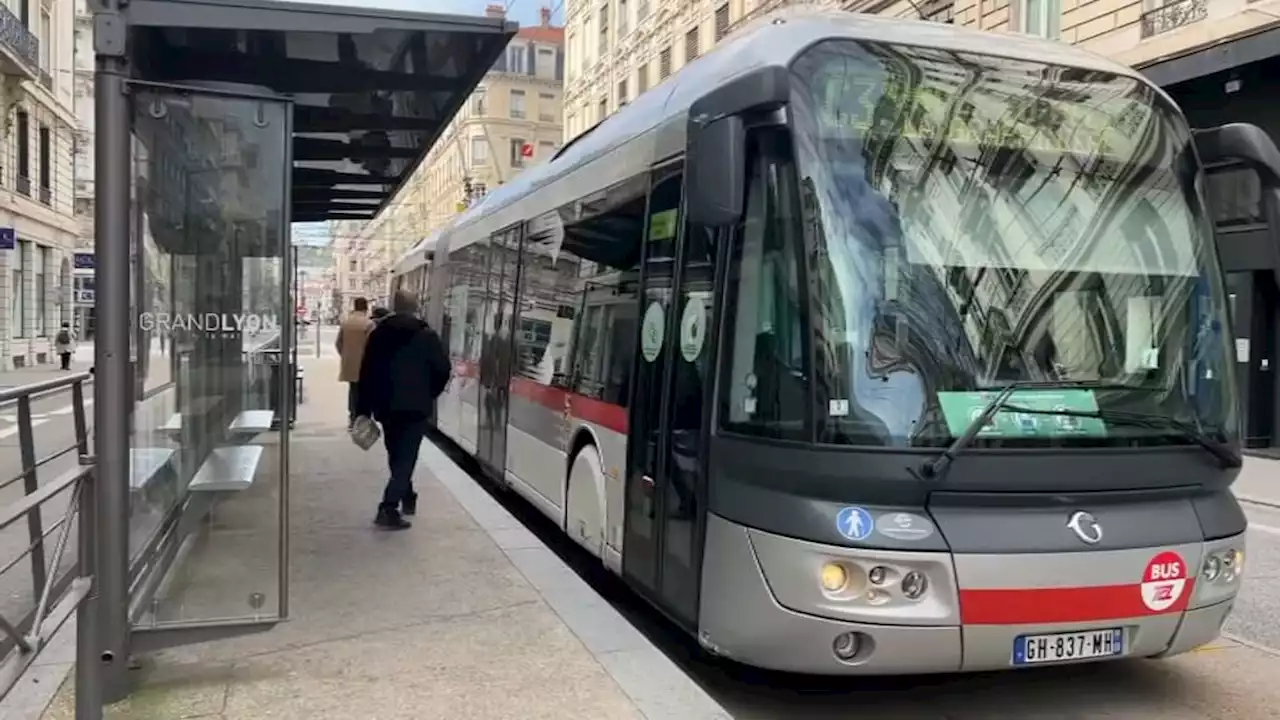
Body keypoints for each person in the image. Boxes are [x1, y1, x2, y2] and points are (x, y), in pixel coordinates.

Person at [354, 290, 451, 530]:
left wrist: (362, 409)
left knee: (396, 454)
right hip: (415, 408)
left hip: (386, 407)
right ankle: (387, 508)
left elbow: (365, 373)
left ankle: (407, 495)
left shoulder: (378, 335)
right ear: (415, 307)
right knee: (406, 458)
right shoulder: (427, 335)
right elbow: (442, 369)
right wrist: (429, 394)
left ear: (394, 307)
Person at [335, 297, 375, 429]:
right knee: (366, 393)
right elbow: (373, 345)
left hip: (350, 364)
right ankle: (362, 420)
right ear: (366, 307)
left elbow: (338, 343)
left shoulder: (346, 322)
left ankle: (352, 418)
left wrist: (346, 355)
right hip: (366, 365)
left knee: (353, 391)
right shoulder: (369, 324)